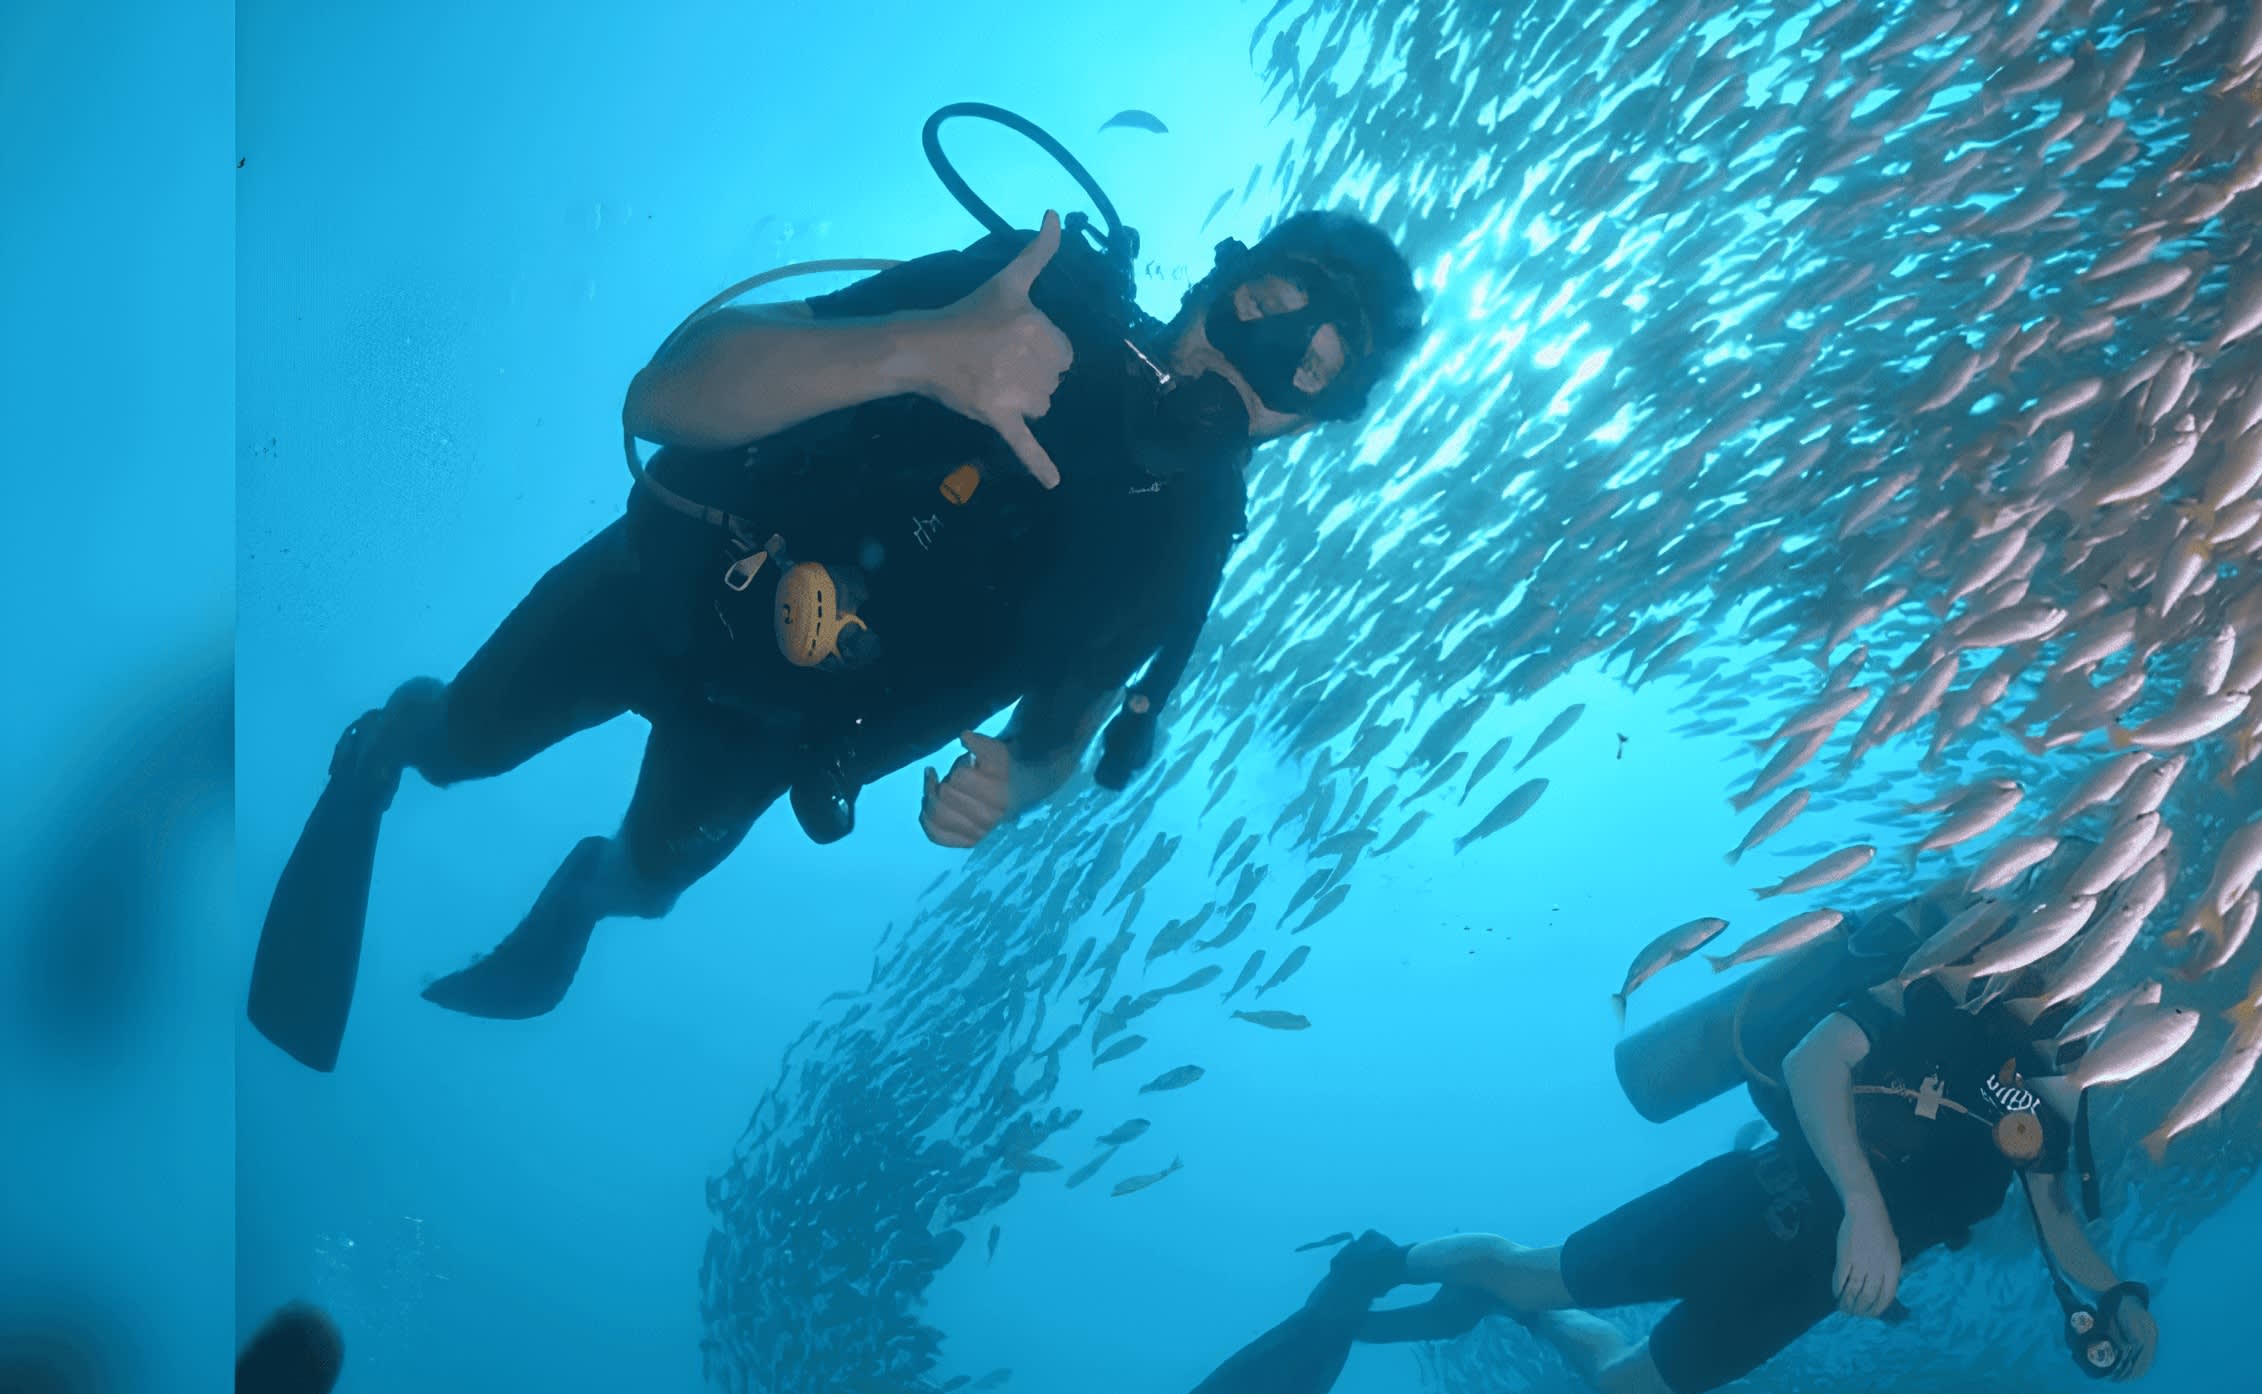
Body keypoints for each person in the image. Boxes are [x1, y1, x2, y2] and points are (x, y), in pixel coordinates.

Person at [248, 201, 1424, 1071]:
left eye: (1308, 372)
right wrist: (919, 348)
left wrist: (1016, 786)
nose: (1256, 363)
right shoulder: (1025, 299)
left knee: (646, 885)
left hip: (772, 733)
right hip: (654, 589)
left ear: (1307, 424)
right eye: (1267, 307)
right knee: (461, 746)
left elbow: (1062, 736)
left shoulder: (1173, 556)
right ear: (1220, 277)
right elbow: (662, 396)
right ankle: (390, 742)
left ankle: (579, 897)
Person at [1183, 885, 2160, 1394]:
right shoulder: (1938, 999)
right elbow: (1811, 1059)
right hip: (1756, 1203)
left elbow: (2057, 1221)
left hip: (1810, 1287)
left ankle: (1528, 1316)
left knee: (1627, 1393)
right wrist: (1864, 1207)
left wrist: (2119, 1294)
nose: (2070, 984)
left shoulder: (2039, 1089)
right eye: (2066, 949)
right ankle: (1386, 1259)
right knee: (1530, 1265)